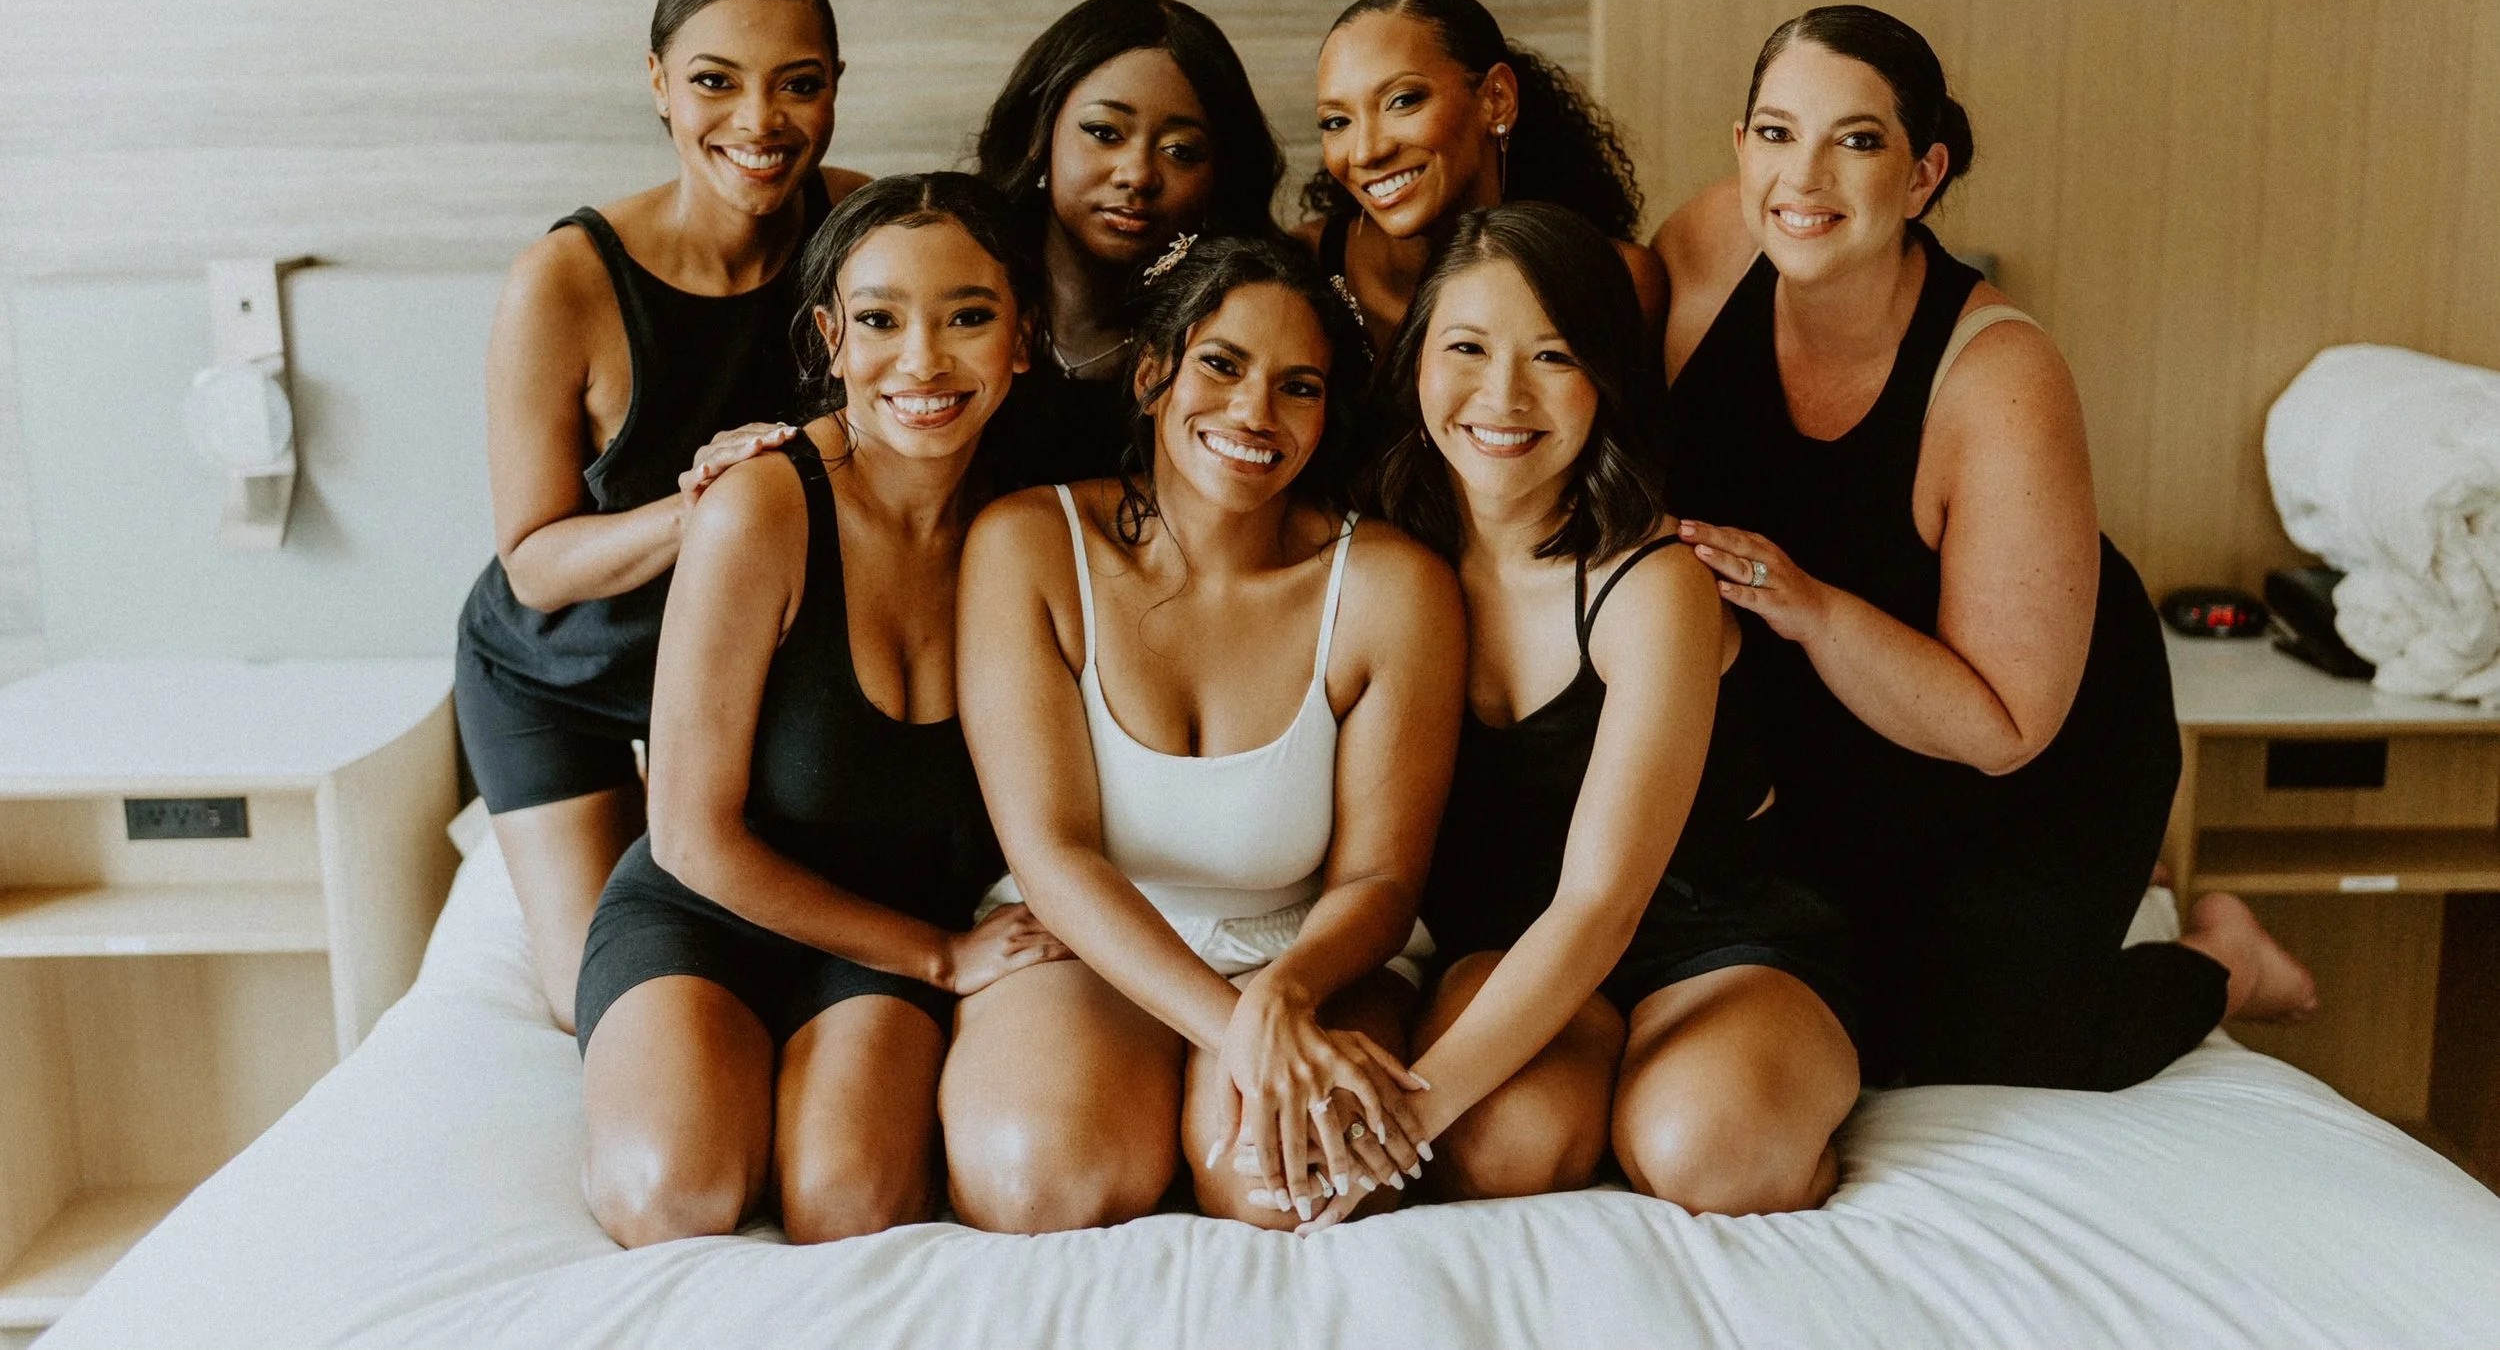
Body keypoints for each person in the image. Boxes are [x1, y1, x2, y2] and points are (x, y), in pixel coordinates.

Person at [1661, 4, 2316, 1092]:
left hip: (2021, 763)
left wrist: (1808, 605)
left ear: (1923, 175)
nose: (1803, 178)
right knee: (1798, 1001)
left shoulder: (1999, 376)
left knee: (1982, 1050)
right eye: (1776, 134)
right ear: (1740, 146)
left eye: (1856, 141)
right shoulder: (1704, 254)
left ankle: (2221, 956)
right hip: (1819, 740)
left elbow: (2003, 725)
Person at [1322, 200, 1858, 1227]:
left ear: (1605, 381)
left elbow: (1604, 903)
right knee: (1502, 1145)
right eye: (1467, 347)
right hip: (1508, 940)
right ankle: (1602, 1084)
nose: (1502, 395)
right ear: (1417, 364)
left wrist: (1406, 1112)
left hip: (1710, 941)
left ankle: (1727, 1092)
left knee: (1706, 1147)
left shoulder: (1654, 578)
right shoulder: (1387, 551)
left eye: (1552, 357)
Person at [576, 173, 1063, 1247]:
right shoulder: (762, 505)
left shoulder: (1037, 520)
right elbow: (690, 837)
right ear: (830, 338)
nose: (923, 360)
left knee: (849, 1204)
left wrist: (931, 950)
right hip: (706, 907)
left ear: (1023, 340)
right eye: (881, 321)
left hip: (889, 929)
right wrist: (942, 959)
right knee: (672, 1189)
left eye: (968, 318)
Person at [942, 232, 1465, 1233]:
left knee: (1287, 1192)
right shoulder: (1028, 544)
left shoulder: (1391, 587)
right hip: (1081, 938)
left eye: (1298, 386)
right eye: (1220, 365)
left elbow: (1382, 882)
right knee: (1039, 1177)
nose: (1253, 413)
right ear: (1152, 373)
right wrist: (1241, 1028)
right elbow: (1050, 850)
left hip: (1309, 946)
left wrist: (1285, 994)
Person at [454, 0, 870, 1031]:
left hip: (756, 665)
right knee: (596, 1000)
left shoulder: (864, 234)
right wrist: (707, 512)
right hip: (565, 668)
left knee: (784, 969)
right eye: (714, 80)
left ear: (834, 86)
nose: (760, 119)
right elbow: (535, 562)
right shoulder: (564, 281)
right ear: (657, 85)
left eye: (799, 82)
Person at [974, 0, 1288, 482]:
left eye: (1181, 151)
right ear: (1041, 132)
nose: (1138, 174)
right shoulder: (959, 278)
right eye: (1104, 132)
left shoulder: (1247, 328)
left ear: (1220, 174)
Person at [1302, 0, 1667, 356]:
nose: (1365, 152)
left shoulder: (1615, 279)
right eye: (1336, 121)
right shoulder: (1302, 265)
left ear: (1496, 99)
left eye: (1403, 101)